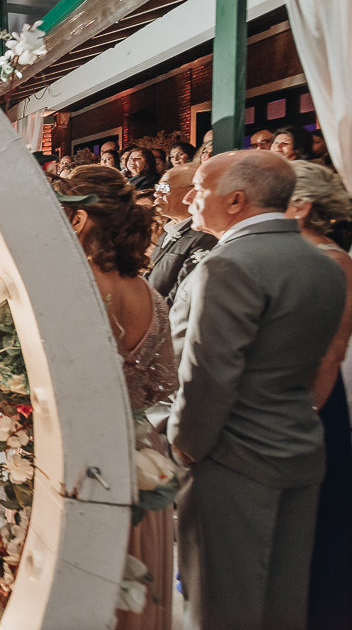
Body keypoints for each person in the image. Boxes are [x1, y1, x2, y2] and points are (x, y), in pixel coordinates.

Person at [168, 150, 346, 630]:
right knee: (282, 605)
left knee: (222, 607)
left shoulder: (230, 263)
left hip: (231, 458)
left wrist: (184, 445)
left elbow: (209, 374)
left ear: (236, 200)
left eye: (200, 189)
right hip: (298, 444)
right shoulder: (324, 263)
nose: (190, 199)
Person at [54, 166, 177, 630]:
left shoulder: (75, 286)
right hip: (141, 455)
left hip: (85, 459)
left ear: (80, 218)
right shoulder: (148, 293)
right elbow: (163, 385)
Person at [284, 161, 352, 629]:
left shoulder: (334, 261)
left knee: (318, 515)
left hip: (315, 402)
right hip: (291, 397)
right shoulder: (295, 255)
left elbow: (331, 352)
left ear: (302, 207)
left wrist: (305, 417)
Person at [147, 164, 216, 305]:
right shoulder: (167, 231)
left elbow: (183, 296)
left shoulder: (205, 235)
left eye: (164, 188)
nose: (157, 193)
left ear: (192, 191)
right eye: (157, 187)